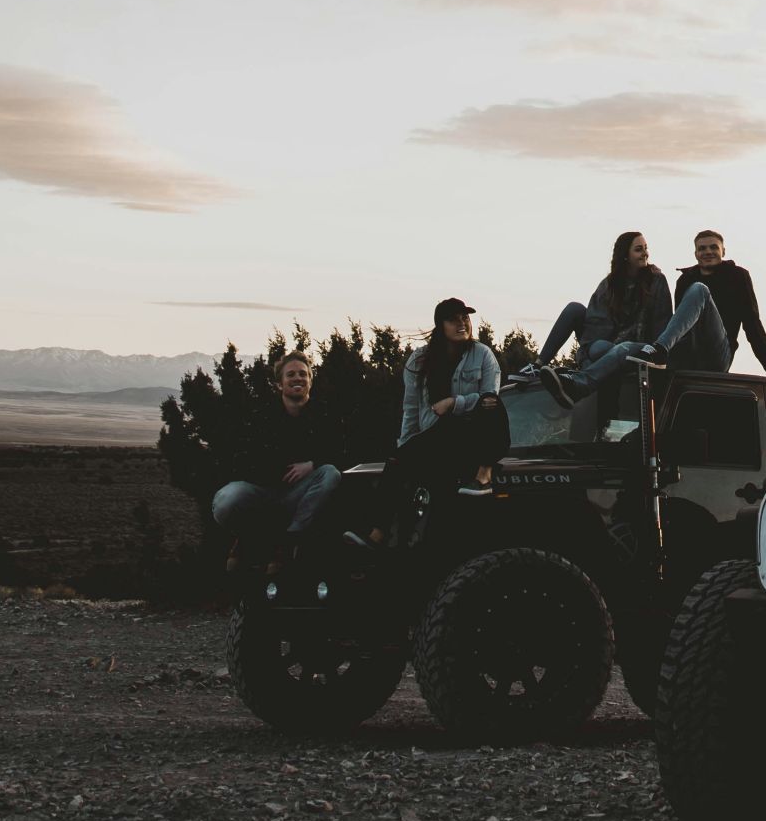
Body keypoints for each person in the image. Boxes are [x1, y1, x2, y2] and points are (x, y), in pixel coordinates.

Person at [346, 298, 507, 547]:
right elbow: (411, 408)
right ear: (440, 325)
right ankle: (377, 533)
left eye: (465, 318)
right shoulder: (420, 361)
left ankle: (483, 476)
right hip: (437, 437)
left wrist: (455, 402)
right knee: (397, 460)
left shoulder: (483, 355)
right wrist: (407, 446)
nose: (462, 323)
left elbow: (489, 398)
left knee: (492, 405)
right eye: (454, 319)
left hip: (475, 436)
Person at [531, 231, 732, 405]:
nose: (645, 252)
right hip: (636, 348)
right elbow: (597, 327)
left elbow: (664, 324)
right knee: (595, 328)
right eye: (639, 249)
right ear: (624, 255)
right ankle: (550, 373)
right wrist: (595, 351)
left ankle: (580, 383)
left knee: (697, 290)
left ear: (723, 250)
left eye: (646, 248)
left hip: (671, 348)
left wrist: (657, 347)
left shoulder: (658, 280)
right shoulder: (609, 286)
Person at [213, 351, 342, 571]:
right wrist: (272, 470)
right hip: (263, 491)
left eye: (303, 374)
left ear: (310, 380)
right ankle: (246, 537)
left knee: (330, 473)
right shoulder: (262, 414)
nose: (297, 378)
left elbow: (340, 450)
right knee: (227, 499)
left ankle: (289, 540)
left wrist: (312, 464)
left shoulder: (325, 414)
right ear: (280, 384)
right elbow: (244, 458)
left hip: (299, 493)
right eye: (290, 374)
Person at [674, 230, 766, 379]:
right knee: (639, 349)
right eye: (702, 248)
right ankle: (657, 353)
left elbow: (752, 325)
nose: (708, 252)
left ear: (723, 251)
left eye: (714, 247)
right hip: (690, 352)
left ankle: (663, 351)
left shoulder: (737, 277)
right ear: (695, 254)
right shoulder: (685, 280)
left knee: (699, 290)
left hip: (718, 354)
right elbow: (678, 325)